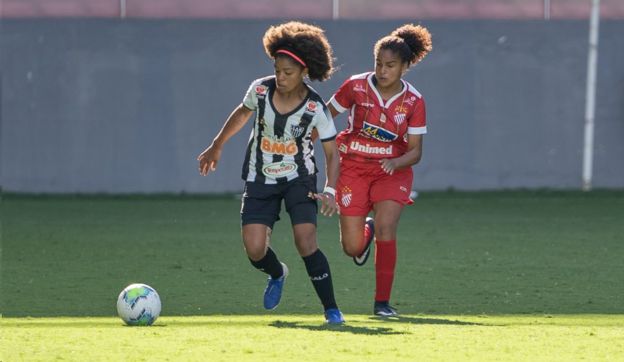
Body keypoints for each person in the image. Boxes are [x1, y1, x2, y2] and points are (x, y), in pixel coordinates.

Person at [197, 21, 344, 324]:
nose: (281, 77)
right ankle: (277, 273)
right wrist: (217, 145)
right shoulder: (261, 89)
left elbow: (331, 152)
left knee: (305, 240)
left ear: (304, 72)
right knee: (254, 249)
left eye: (288, 72)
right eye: (277, 70)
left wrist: (330, 190)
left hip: (299, 178)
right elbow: (242, 113)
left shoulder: (316, 107)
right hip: (259, 176)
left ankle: (331, 309)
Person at [327, 24, 432, 317]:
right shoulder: (355, 86)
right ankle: (365, 229)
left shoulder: (414, 101)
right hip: (353, 168)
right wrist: (313, 140)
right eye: (378, 64)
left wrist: (396, 162)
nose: (382, 71)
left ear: (405, 67)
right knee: (351, 247)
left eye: (390, 65)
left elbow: (415, 152)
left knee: (388, 226)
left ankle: (382, 303)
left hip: (391, 172)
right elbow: (326, 116)